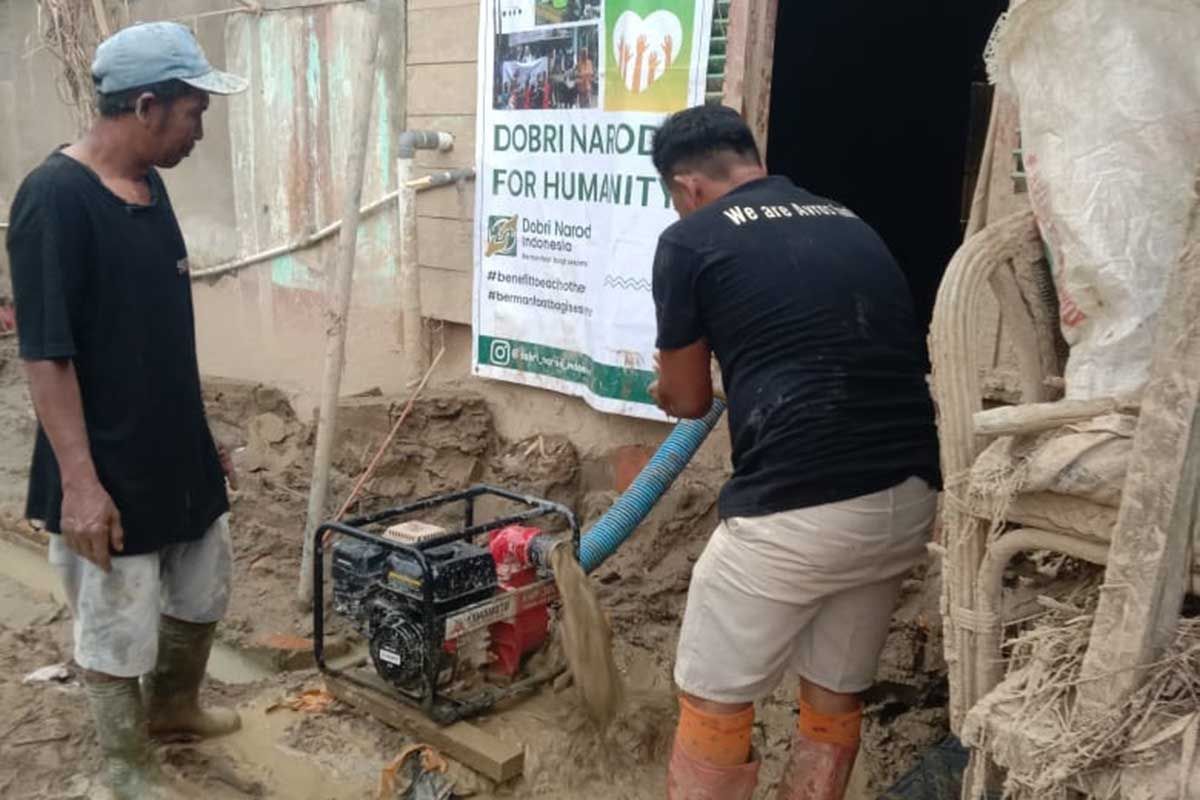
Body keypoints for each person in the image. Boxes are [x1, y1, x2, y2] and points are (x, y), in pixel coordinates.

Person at [648, 104, 940, 800]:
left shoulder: (689, 240)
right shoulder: (849, 221)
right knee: (835, 691)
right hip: (908, 500)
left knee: (714, 698)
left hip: (796, 508)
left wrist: (664, 385)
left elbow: (687, 400)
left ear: (687, 186)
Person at [5, 22, 247, 799]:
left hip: (174, 448)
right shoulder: (54, 201)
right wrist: (81, 484)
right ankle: (125, 765)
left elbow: (159, 335)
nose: (199, 132)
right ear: (146, 107)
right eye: (193, 113)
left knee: (204, 587)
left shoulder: (149, 186)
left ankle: (174, 708)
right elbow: (47, 354)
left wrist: (202, 433)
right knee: (117, 618)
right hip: (104, 461)